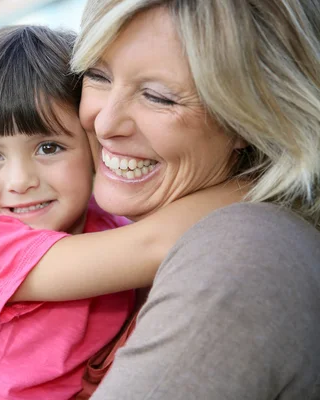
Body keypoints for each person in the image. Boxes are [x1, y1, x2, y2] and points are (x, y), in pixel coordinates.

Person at [0, 25, 243, 399]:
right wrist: (272, 177)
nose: (19, 180)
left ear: (93, 143)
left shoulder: (104, 223)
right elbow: (155, 245)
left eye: (48, 148)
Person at [68, 0, 320, 399]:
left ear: (249, 119)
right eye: (98, 75)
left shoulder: (236, 257)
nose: (104, 122)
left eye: (158, 97)